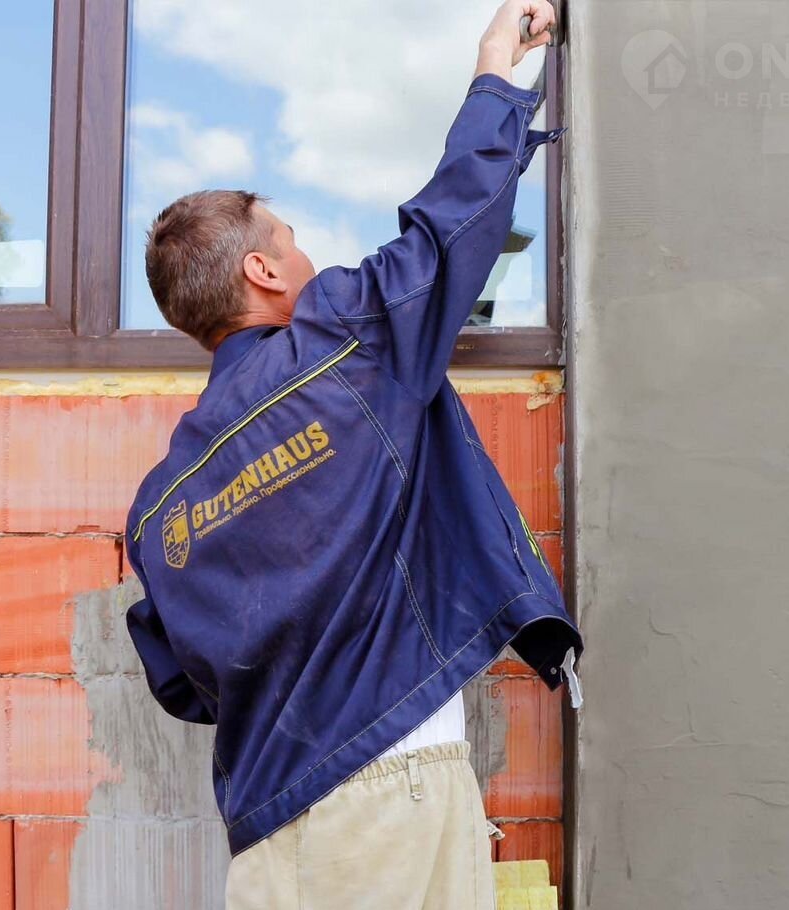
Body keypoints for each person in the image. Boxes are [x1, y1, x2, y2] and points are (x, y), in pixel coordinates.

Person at [124, 2, 582, 906]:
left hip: (266, 839)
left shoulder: (159, 507)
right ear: (261, 272)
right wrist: (499, 66)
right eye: (292, 243)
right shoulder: (341, 342)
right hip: (386, 797)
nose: (308, 258)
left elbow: (181, 682)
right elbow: (448, 232)